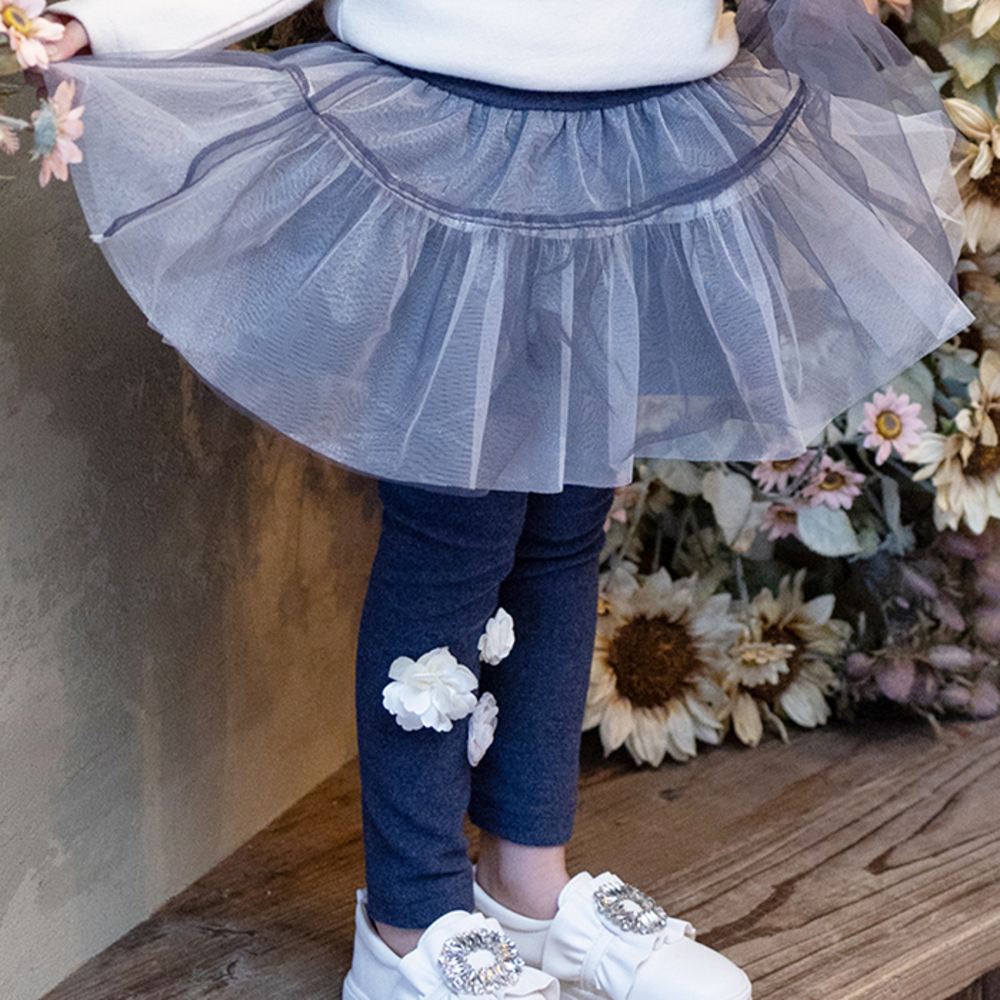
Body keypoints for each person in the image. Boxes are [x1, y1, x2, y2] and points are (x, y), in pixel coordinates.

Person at [37, 0, 972, 996]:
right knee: (453, 536)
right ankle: (409, 923)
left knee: (567, 524)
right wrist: (107, 18)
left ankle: (527, 881)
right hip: (442, 141)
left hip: (648, 137)